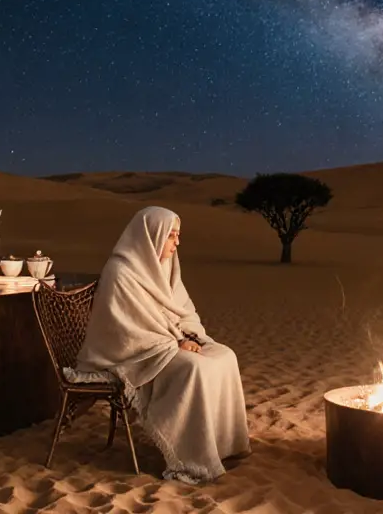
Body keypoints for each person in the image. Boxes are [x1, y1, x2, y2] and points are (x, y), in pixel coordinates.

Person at [70, 206, 250, 484]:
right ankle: (193, 455)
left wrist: (190, 336)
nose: (177, 243)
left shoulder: (166, 266)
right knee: (194, 370)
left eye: (178, 236)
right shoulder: (121, 271)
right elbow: (125, 329)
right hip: (133, 353)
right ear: (152, 235)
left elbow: (183, 310)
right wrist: (175, 344)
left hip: (169, 339)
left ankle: (223, 447)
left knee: (226, 356)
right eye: (172, 236)